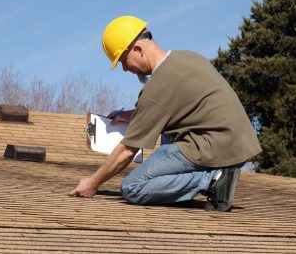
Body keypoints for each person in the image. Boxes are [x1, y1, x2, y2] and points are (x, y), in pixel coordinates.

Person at [69, 16, 261, 211]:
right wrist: (131, 115)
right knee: (167, 130)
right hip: (237, 142)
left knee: (133, 187)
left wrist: (93, 182)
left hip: (214, 147)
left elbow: (127, 150)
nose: (125, 69)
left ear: (137, 49)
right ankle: (183, 192)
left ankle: (214, 180)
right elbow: (172, 106)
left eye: (123, 61)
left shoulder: (157, 87)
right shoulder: (186, 57)